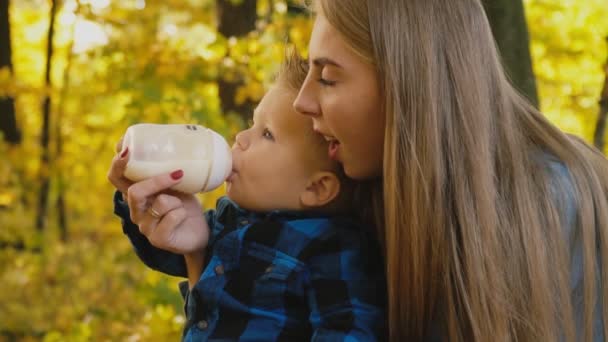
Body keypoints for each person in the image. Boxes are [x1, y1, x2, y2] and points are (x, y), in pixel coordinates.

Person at [291, 0, 608, 341]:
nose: (302, 102)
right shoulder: (363, 195)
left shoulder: (554, 198)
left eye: (327, 78)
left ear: (409, 82)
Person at [108, 54, 386, 341]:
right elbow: (165, 253)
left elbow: (348, 330)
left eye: (266, 134)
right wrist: (139, 198)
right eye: (252, 124)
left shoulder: (331, 246)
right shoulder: (229, 219)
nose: (240, 137)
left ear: (316, 189)